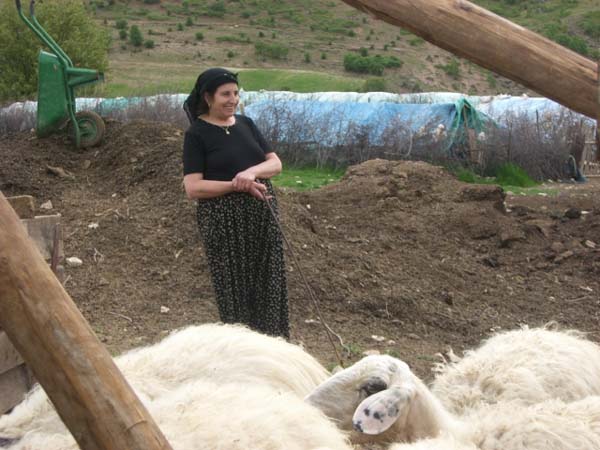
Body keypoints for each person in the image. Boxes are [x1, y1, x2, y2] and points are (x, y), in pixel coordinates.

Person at [182, 68, 289, 338]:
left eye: (236, 93)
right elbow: (193, 187)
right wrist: (235, 185)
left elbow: (275, 164)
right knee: (234, 287)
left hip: (262, 217)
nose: (233, 100)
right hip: (224, 221)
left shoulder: (246, 124)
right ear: (208, 97)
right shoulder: (197, 134)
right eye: (225, 94)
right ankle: (241, 348)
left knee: (269, 281)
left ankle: (274, 344)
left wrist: (251, 173)